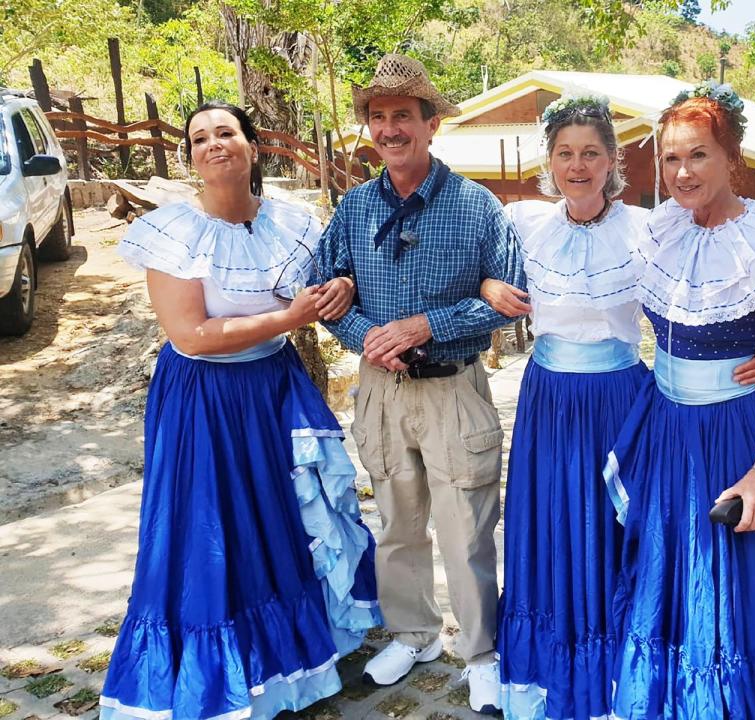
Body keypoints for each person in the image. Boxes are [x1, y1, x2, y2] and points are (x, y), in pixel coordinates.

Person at [479, 93, 755, 720]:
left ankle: (620, 673)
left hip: (622, 401)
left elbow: (718, 287)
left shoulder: (651, 228)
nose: (577, 165)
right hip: (548, 403)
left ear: (614, 160)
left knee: (618, 530)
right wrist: (486, 284)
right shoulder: (522, 224)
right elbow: (482, 273)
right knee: (553, 527)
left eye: (591, 153)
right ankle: (554, 669)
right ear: (549, 161)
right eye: (565, 154)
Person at [99, 101, 380, 720]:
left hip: (273, 387)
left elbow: (329, 282)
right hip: (204, 398)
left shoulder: (293, 222)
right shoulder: (173, 230)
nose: (213, 144)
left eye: (225, 132)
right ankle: (213, 673)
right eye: (200, 138)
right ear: (191, 157)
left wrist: (343, 288)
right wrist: (288, 317)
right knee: (209, 530)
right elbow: (190, 335)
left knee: (279, 521)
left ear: (253, 146)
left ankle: (289, 660)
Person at [603, 81, 755, 719]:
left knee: (747, 591)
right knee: (672, 578)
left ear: (731, 157)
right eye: (670, 158)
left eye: (699, 155)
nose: (682, 171)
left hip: (739, 435)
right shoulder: (660, 230)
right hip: (668, 433)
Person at [317, 54, 525, 714]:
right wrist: (369, 339)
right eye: (377, 118)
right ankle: (414, 633)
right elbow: (324, 293)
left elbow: (510, 300)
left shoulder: (477, 206)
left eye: (402, 116)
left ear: (431, 124)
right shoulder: (352, 208)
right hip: (381, 391)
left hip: (453, 389)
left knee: (466, 526)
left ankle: (482, 652)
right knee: (398, 523)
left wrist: (421, 326)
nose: (389, 129)